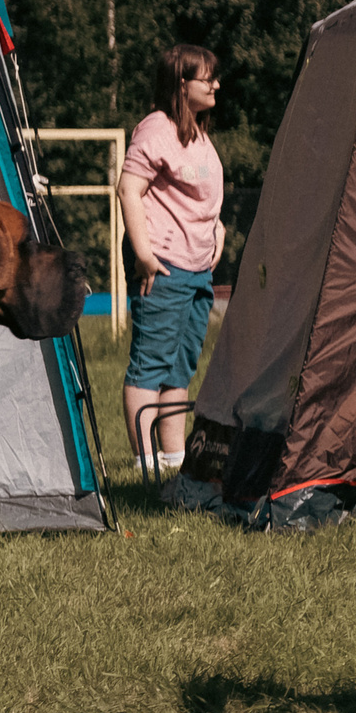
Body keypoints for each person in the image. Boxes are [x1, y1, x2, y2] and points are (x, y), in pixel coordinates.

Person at [118, 45, 224, 474]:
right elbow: (128, 189)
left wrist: (218, 229)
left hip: (197, 271)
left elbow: (200, 197)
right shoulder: (155, 129)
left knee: (179, 369)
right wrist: (143, 256)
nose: (216, 84)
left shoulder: (196, 130)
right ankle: (146, 468)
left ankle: (174, 464)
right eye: (207, 78)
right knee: (151, 365)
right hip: (163, 267)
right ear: (182, 83)